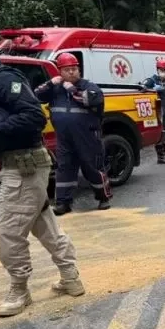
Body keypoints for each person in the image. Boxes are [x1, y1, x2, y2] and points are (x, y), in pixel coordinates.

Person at [0, 45, 84, 317]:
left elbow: (34, 116)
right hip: (16, 163)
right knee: (43, 224)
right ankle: (70, 277)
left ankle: (19, 288)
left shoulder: (5, 80)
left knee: (9, 230)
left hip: (25, 165)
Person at [35, 53, 112, 215]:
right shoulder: (55, 88)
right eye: (67, 70)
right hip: (64, 137)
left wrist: (71, 88)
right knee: (65, 168)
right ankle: (63, 203)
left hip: (88, 136)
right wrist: (50, 83)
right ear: (60, 72)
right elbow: (36, 95)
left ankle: (103, 198)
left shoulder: (89, 86)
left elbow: (91, 100)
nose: (71, 72)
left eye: (74, 69)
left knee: (92, 167)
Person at [142, 60, 165, 164]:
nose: (164, 72)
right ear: (157, 70)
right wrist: (153, 89)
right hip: (158, 112)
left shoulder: (164, 82)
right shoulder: (152, 80)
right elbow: (142, 89)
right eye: (162, 70)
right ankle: (160, 156)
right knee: (161, 133)